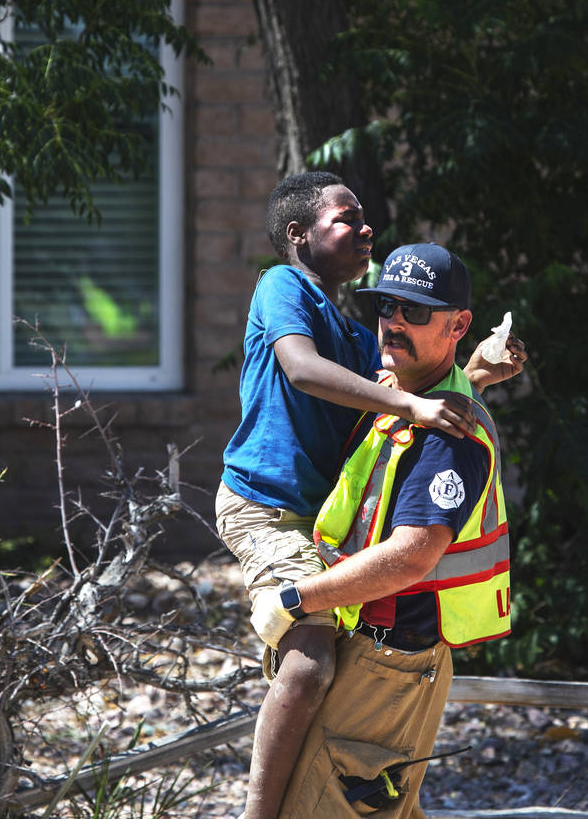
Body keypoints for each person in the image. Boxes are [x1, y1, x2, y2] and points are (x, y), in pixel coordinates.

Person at [216, 173, 525, 819]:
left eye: (411, 311)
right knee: (305, 665)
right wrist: (412, 400)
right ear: (298, 236)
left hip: (322, 535)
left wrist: (475, 372)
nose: (365, 228)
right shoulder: (282, 287)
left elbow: (414, 377)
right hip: (265, 506)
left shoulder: (356, 335)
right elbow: (304, 369)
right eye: (345, 218)